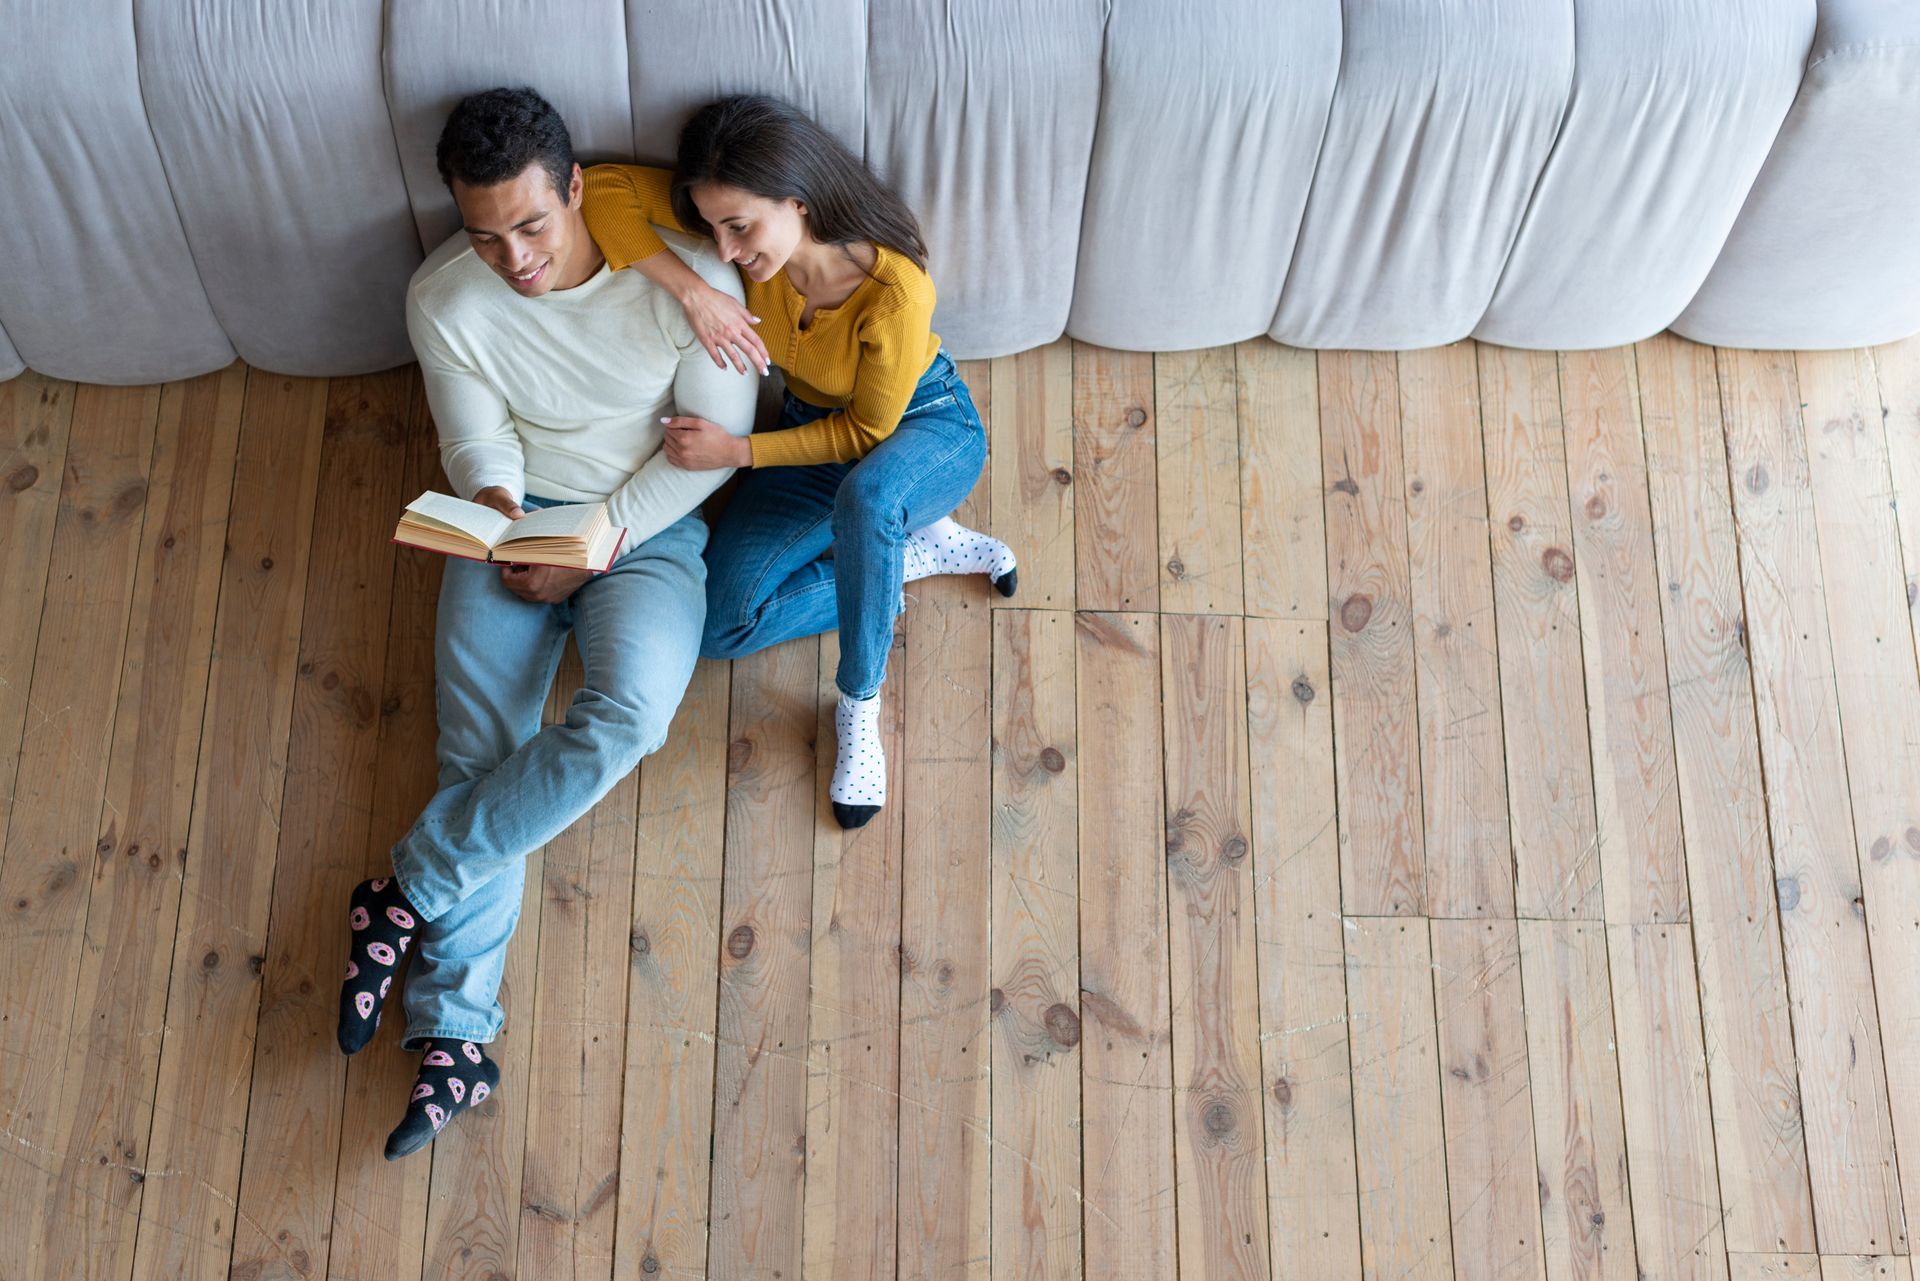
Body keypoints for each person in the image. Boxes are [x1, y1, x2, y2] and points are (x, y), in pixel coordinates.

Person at [335, 86, 757, 1160]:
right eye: (486, 237)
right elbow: (477, 441)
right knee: (479, 752)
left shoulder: (694, 285)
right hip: (518, 535)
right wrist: (504, 518)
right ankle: (454, 1042)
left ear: (578, 190)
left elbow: (697, 455)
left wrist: (597, 549)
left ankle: (407, 889)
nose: (515, 259)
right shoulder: (444, 295)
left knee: (628, 718)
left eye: (532, 225)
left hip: (649, 535)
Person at [580, 95, 1017, 831]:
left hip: (923, 429)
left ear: (799, 201)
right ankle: (898, 561)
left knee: (871, 500)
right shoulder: (739, 242)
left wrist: (736, 451)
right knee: (720, 622)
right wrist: (693, 292)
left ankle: (859, 704)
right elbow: (601, 190)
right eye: (712, 229)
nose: (724, 250)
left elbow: (865, 431)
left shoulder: (895, 290)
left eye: (739, 228)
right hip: (808, 431)